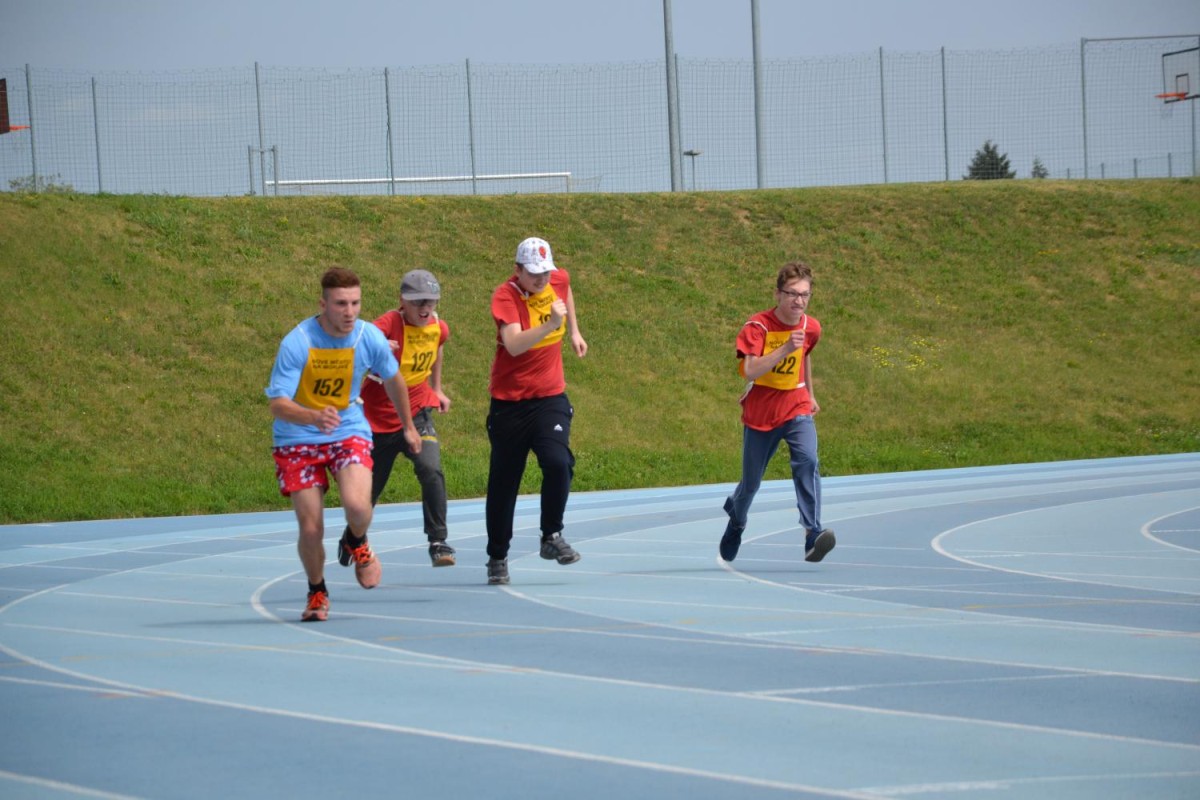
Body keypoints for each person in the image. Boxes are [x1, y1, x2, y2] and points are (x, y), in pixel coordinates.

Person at [266, 267, 422, 622]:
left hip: (347, 429)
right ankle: (317, 590)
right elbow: (277, 404)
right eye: (340, 304)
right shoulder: (298, 342)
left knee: (358, 506)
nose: (349, 312)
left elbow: (393, 380)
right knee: (311, 528)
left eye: (355, 303)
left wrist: (409, 427)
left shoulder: (368, 337)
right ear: (323, 305)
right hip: (297, 437)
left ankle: (357, 540)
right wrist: (312, 417)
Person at [484, 236, 588, 585]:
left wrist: (574, 331)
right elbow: (513, 344)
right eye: (533, 274)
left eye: (545, 272)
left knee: (558, 462)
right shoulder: (506, 296)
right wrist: (551, 326)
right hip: (509, 404)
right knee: (505, 482)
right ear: (517, 270)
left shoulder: (557, 279)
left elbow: (565, 293)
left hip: (549, 398)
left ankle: (551, 535)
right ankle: (497, 556)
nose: (542, 279)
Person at [720, 261, 835, 565]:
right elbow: (749, 370)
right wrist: (784, 348)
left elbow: (805, 356)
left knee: (808, 460)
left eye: (805, 295)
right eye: (792, 293)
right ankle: (737, 519)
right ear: (778, 294)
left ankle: (812, 533)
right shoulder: (758, 327)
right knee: (751, 483)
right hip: (762, 411)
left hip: (796, 405)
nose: (799, 300)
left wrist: (810, 394)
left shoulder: (811, 327)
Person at [343, 269, 456, 568]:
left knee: (431, 468)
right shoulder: (390, 323)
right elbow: (356, 339)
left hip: (417, 413)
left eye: (430, 301)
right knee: (368, 492)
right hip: (377, 420)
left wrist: (437, 388)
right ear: (402, 301)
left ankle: (438, 541)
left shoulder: (438, 327)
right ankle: (353, 537)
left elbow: (437, 347)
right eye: (417, 301)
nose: (424, 308)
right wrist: (376, 346)